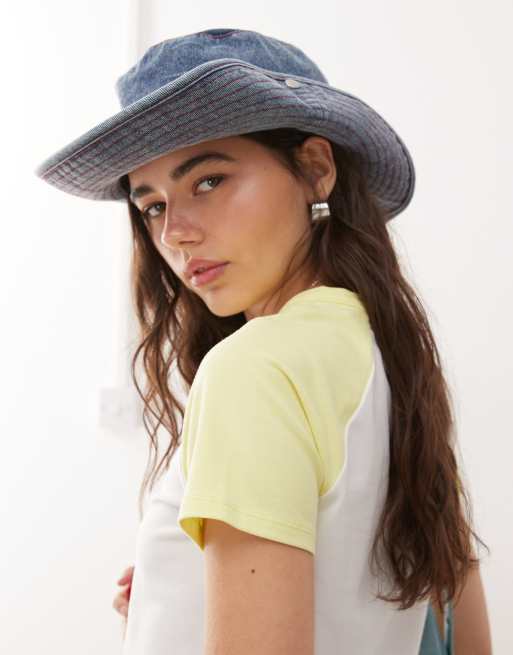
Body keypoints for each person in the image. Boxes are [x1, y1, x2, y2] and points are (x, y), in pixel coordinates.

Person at [34, 27, 492, 655]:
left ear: (316, 169)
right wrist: (181, 600)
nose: (175, 233)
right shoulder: (393, 360)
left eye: (209, 181)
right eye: (153, 206)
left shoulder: (253, 369)